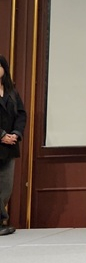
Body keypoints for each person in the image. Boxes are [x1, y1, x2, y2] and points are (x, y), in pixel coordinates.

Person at [0, 55, 26, 236]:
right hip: (2, 140)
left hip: (9, 146)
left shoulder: (11, 91)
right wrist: (1, 135)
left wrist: (15, 133)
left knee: (6, 187)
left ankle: (1, 220)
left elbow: (22, 114)